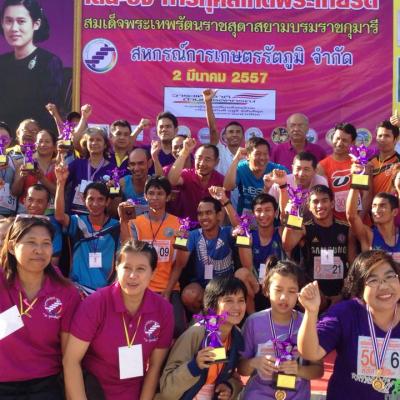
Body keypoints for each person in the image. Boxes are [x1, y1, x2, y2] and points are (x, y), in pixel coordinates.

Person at [63, 240, 174, 400]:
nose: (132, 276)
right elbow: (71, 361)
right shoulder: (95, 304)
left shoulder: (164, 310)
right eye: (126, 267)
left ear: (153, 273)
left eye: (141, 269)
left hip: (135, 393)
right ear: (116, 267)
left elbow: (154, 367)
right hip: (94, 391)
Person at [297, 250, 400, 399]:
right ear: (360, 288)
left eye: (390, 277)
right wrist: (311, 312)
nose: (384, 286)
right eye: (373, 280)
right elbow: (310, 352)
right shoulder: (345, 314)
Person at [0, 216, 80, 399]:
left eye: (46, 243)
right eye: (31, 242)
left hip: (45, 384)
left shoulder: (66, 292)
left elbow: (69, 357)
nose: (39, 250)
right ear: (11, 247)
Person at [238, 256, 323, 399]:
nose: (284, 297)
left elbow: (318, 370)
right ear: (266, 290)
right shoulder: (253, 322)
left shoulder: (307, 321)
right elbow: (241, 368)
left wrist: (298, 370)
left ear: (299, 293)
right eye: (278, 290)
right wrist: (254, 362)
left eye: (291, 291)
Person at [156, 276, 247, 400]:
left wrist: (230, 387)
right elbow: (167, 390)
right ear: (212, 305)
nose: (236, 307)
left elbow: (234, 378)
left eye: (241, 300)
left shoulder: (236, 336)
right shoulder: (196, 333)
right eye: (229, 301)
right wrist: (194, 366)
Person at [119, 175, 186, 336]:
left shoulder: (179, 225)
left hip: (168, 287)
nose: (155, 197)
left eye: (160, 193)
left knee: (177, 328)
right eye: (151, 193)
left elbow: (179, 265)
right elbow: (128, 250)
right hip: (141, 287)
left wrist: (167, 292)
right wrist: (123, 221)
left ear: (168, 197)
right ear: (145, 196)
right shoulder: (135, 222)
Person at [283, 185, 353, 310]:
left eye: (324, 200)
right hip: (312, 295)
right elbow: (287, 245)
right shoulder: (304, 228)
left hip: (340, 295)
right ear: (309, 206)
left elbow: (353, 264)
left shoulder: (346, 229)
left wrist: (343, 294)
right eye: (315, 202)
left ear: (332, 203)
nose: (320, 206)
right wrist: (291, 215)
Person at [55, 163, 120, 294]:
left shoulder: (116, 226)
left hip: (105, 291)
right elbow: (59, 216)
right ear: (83, 199)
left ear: (107, 202)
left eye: (100, 199)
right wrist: (60, 183)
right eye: (91, 199)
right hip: (78, 289)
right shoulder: (78, 222)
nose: (95, 204)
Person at [0, 0, 63, 133]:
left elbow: (48, 112)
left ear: (36, 24)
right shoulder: (2, 62)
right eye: (8, 21)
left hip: (36, 137)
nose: (14, 28)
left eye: (21, 21)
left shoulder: (49, 62)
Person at [172, 197, 237, 314]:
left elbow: (241, 228)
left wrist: (226, 202)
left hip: (226, 286)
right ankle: (202, 317)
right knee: (189, 295)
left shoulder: (227, 232)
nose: (204, 217)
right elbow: (180, 264)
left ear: (218, 215)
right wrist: (181, 243)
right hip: (202, 287)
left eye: (208, 213)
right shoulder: (193, 235)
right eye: (200, 214)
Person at [236, 193, 285, 313]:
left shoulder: (281, 232)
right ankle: (252, 319)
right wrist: (242, 238)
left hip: (280, 284)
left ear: (276, 213)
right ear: (253, 214)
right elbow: (247, 267)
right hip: (257, 286)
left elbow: (289, 221)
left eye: (268, 210)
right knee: (241, 273)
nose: (263, 215)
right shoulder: (249, 236)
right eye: (258, 210)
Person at [224, 137, 288, 215]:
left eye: (265, 154)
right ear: (247, 156)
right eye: (257, 154)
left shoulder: (278, 170)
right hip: (245, 218)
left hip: (270, 218)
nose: (262, 158)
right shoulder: (241, 168)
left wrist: (282, 183)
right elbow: (227, 187)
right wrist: (236, 159)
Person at [204, 88, 243, 210]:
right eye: (231, 132)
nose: (235, 134)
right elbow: (213, 129)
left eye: (238, 132)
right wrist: (208, 102)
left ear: (243, 136)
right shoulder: (220, 151)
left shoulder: (249, 156)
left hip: (242, 209)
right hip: (220, 207)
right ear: (224, 136)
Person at [168, 138, 226, 221]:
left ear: (216, 162)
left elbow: (222, 210)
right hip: (187, 226)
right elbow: (172, 180)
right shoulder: (187, 174)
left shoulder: (221, 180)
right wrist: (184, 152)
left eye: (207, 159)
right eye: (199, 158)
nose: (202, 163)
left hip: (210, 226)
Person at [317, 123, 361, 222]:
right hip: (336, 223)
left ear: (353, 142)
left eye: (344, 140)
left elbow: (367, 195)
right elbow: (322, 197)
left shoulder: (359, 164)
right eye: (337, 138)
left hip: (360, 221)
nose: (339, 143)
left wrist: (358, 221)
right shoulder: (322, 166)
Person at [66, 127, 115, 214]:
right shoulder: (77, 164)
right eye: (91, 140)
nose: (94, 143)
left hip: (100, 216)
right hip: (76, 215)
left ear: (105, 145)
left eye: (98, 140)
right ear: (86, 144)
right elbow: (60, 183)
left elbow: (116, 195)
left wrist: (112, 190)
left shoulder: (113, 169)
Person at [346, 181, 400, 255]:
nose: (376, 210)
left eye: (382, 206)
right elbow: (352, 216)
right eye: (374, 206)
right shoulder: (369, 235)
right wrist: (357, 180)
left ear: (395, 212)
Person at [12, 128, 57, 214]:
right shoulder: (24, 162)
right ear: (35, 144)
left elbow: (59, 192)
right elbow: (15, 192)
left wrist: (42, 178)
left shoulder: (58, 166)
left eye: (47, 142)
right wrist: (22, 177)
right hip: (25, 211)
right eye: (40, 141)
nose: (43, 144)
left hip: (49, 213)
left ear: (54, 146)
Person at [369, 120, 400, 196]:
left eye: (387, 136)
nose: (382, 139)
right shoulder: (369, 162)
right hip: (371, 203)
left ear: (395, 139)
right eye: (380, 136)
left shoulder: (399, 161)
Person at [0, 121, 17, 216]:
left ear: (10, 140)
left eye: (4, 138)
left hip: (9, 213)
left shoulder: (15, 161)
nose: (1, 141)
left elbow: (17, 190)